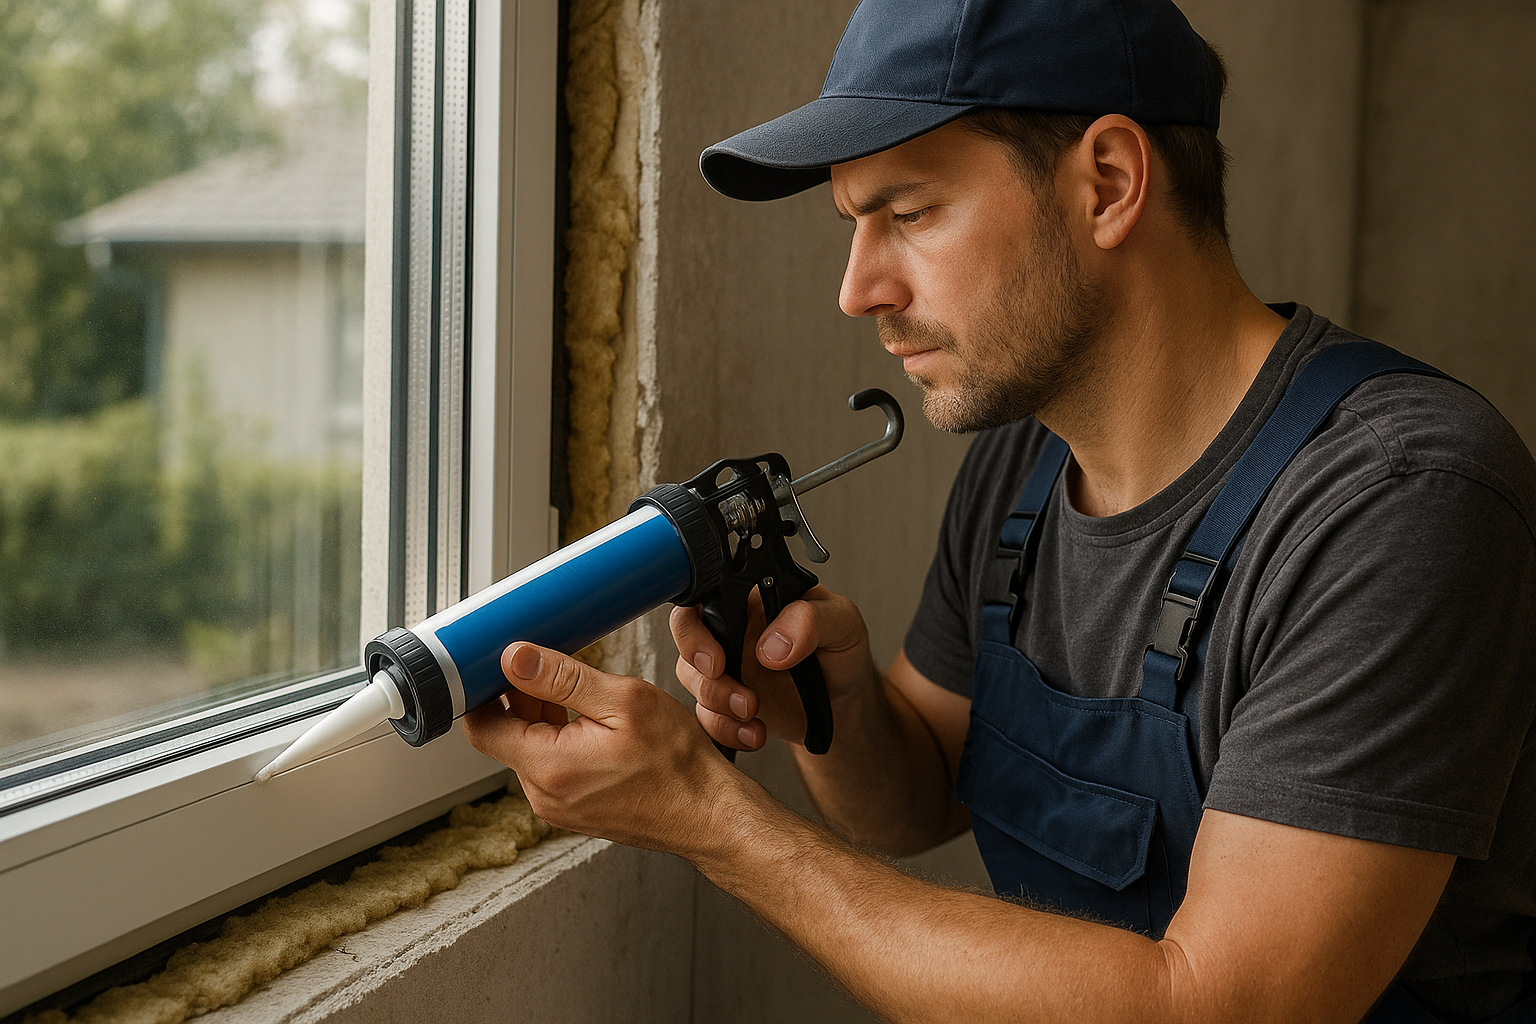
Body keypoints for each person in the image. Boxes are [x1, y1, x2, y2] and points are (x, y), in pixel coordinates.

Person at [463, 0, 1536, 1020]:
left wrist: (715, 823)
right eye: (853, 224)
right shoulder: (1029, 453)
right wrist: (827, 710)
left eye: (911, 213)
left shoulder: (1399, 500)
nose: (857, 288)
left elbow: (1225, 1006)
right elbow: (924, 796)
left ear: (1109, 182)